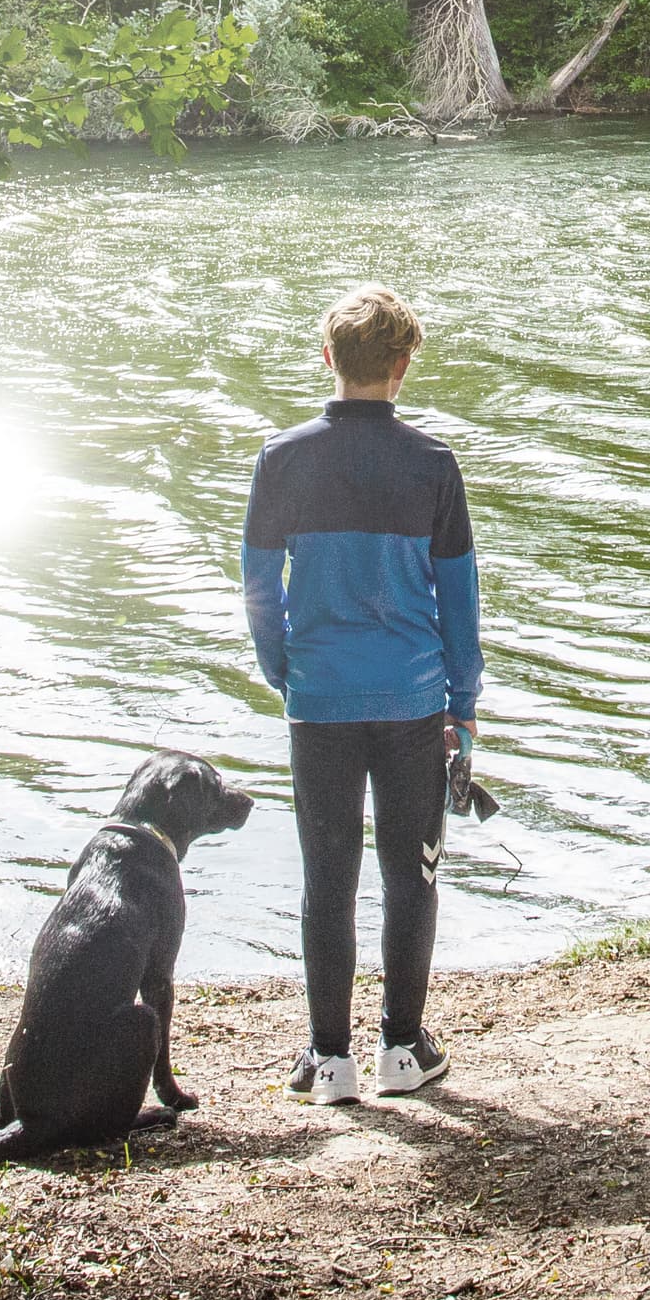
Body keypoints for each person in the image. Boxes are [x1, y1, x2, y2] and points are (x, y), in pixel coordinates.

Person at [241, 284, 481, 1105]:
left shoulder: (282, 457)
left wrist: (286, 673)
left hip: (320, 701)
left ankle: (327, 1058)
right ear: (404, 365)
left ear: (327, 359)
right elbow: (460, 597)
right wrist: (465, 700)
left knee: (327, 876)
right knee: (411, 874)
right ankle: (404, 1049)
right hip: (414, 701)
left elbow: (258, 589)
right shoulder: (433, 464)